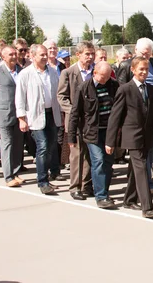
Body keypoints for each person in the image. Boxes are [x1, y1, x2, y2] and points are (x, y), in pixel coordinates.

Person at [106, 56, 153, 218]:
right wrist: (110, 141)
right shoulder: (125, 89)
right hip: (132, 137)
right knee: (142, 168)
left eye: (146, 69)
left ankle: (129, 199)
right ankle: (147, 207)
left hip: (147, 136)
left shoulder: (152, 89)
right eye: (141, 69)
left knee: (136, 169)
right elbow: (115, 117)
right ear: (133, 70)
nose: (144, 72)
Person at [69, 62, 119, 209]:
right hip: (92, 133)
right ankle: (101, 196)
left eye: (108, 76)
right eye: (103, 76)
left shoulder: (114, 85)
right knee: (99, 161)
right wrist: (71, 136)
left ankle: (104, 191)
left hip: (110, 132)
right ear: (95, 73)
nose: (105, 80)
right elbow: (74, 114)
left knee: (108, 162)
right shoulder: (84, 88)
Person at [16, 44, 63, 195]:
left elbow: (57, 93)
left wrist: (61, 113)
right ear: (33, 56)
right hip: (36, 115)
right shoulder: (26, 74)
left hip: (52, 114)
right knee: (42, 146)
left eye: (45, 54)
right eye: (41, 55)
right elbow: (20, 97)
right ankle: (42, 181)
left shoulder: (53, 72)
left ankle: (48, 174)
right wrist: (21, 118)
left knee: (51, 146)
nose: (44, 57)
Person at [57, 41, 95, 200]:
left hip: (91, 121)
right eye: (87, 54)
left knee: (89, 155)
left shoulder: (95, 71)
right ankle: (75, 187)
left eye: (92, 54)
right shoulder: (68, 73)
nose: (90, 57)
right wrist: (74, 110)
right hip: (75, 122)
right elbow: (61, 96)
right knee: (76, 155)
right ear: (78, 55)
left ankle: (86, 185)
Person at [0, 46, 24, 187]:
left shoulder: (21, 71)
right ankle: (8, 177)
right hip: (3, 114)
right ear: (4, 56)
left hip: (19, 114)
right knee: (6, 145)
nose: (14, 56)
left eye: (15, 54)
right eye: (11, 54)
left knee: (18, 145)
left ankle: (16, 172)